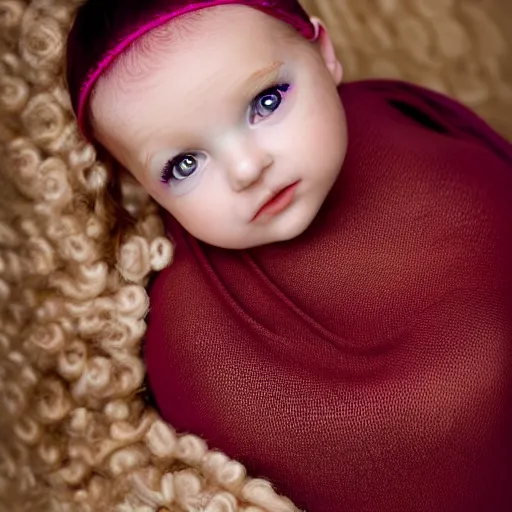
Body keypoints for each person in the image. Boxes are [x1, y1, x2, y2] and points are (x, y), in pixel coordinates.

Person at [66, 0, 512, 510]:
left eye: (268, 101)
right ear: (143, 187)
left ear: (325, 55)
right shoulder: (193, 338)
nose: (247, 167)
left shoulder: (412, 126)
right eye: (184, 164)